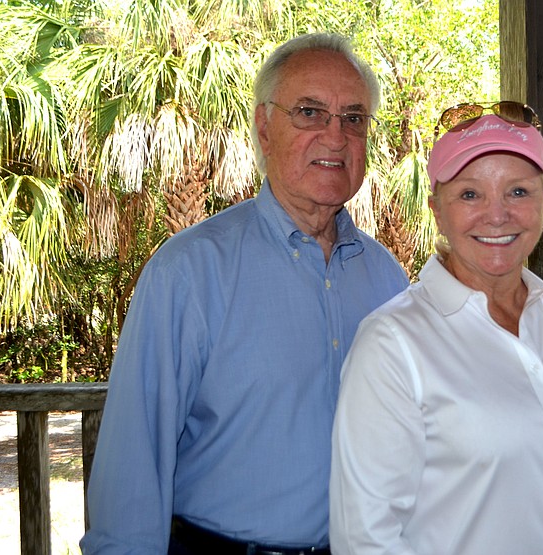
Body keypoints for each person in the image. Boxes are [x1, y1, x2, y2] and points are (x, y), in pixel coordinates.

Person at [80, 33, 408, 555]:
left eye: (354, 118)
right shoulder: (189, 271)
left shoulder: (388, 279)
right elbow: (134, 461)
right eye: (309, 112)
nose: (336, 135)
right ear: (263, 128)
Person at [329, 103, 543, 554]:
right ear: (437, 211)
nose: (496, 215)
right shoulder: (391, 343)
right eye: (469, 194)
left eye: (518, 192)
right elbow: (367, 538)